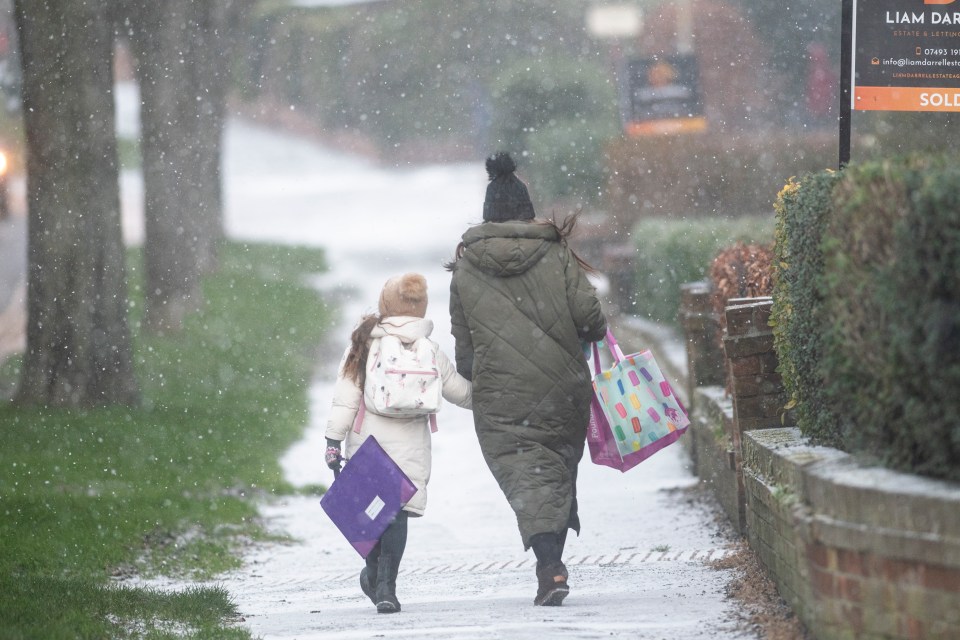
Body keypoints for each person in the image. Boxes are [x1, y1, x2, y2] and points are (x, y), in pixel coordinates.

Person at [446, 152, 607, 606]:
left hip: (501, 395)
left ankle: (549, 566)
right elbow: (591, 320)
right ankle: (551, 566)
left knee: (526, 476)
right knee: (554, 468)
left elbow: (465, 343)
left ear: (488, 213)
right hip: (563, 385)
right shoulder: (556, 253)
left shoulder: (465, 266)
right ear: (526, 209)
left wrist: (477, 375)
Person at [324, 273, 472, 614]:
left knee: (373, 514)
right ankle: (387, 586)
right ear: (421, 309)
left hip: (368, 442)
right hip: (411, 443)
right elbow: (461, 393)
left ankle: (374, 575)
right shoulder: (430, 349)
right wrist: (494, 387)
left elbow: (346, 398)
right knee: (397, 514)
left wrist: (333, 440)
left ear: (384, 305)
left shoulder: (365, 344)